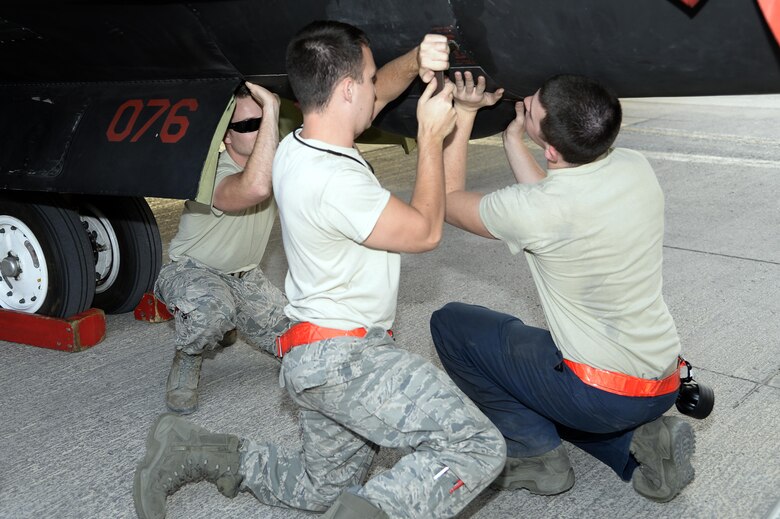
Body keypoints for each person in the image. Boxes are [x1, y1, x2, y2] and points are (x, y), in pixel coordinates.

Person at [134, 21, 506, 519]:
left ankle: (195, 450)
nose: (378, 89)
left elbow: (370, 101)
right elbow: (424, 232)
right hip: (348, 360)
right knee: (477, 445)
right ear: (347, 88)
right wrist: (430, 136)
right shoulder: (334, 180)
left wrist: (416, 61)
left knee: (319, 491)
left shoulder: (298, 144)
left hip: (311, 357)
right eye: (370, 79)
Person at [429, 73, 696, 503]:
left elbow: (446, 197)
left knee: (453, 326)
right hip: (662, 380)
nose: (526, 100)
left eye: (531, 108)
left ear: (551, 149)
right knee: (550, 375)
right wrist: (516, 139)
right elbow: (556, 196)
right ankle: (641, 442)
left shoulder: (537, 212)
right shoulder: (634, 167)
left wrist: (463, 115)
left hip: (600, 393)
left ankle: (537, 458)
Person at [154, 82, 288, 414]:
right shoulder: (211, 172)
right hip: (193, 272)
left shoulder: (275, 164)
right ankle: (188, 355)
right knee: (208, 311)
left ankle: (226, 319)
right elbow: (254, 187)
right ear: (226, 136)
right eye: (249, 125)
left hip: (246, 278)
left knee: (302, 340)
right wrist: (272, 109)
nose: (262, 130)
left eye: (265, 121)